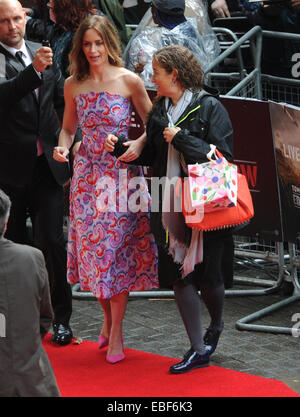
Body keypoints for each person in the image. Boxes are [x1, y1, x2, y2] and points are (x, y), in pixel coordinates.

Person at [105, 45, 234, 373]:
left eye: (156, 72)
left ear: (174, 74)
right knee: (179, 276)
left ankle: (216, 325)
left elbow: (222, 159)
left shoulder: (210, 107)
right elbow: (151, 157)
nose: (151, 78)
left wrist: (181, 139)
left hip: (206, 204)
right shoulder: (159, 109)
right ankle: (198, 347)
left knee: (210, 277)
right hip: (167, 203)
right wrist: (119, 148)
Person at [53, 15, 158, 364]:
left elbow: (154, 123)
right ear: (80, 47)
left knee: (115, 254)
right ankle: (108, 320)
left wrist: (139, 145)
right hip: (86, 180)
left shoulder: (129, 80)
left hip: (122, 178)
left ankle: (116, 333)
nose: (93, 49)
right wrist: (64, 147)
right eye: (87, 44)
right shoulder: (72, 84)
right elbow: (69, 129)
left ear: (108, 43)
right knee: (95, 257)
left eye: (99, 43)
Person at [0, 0, 73, 345]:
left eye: (17, 18)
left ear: (25, 17)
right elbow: (5, 94)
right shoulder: (19, 60)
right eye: (4, 21)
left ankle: (61, 318)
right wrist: (33, 72)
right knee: (11, 248)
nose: (13, 26)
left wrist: (67, 141)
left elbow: (59, 101)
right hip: (8, 173)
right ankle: (17, 320)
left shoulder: (38, 51)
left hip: (47, 168)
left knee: (53, 245)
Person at [0, 188, 60, 397]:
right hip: (35, 383)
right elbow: (45, 318)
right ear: (6, 224)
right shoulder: (32, 258)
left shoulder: (31, 258)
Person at [123, 0, 220, 89]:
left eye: (152, 7)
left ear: (156, 13)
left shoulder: (158, 38)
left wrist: (144, 69)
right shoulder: (191, 32)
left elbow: (155, 81)